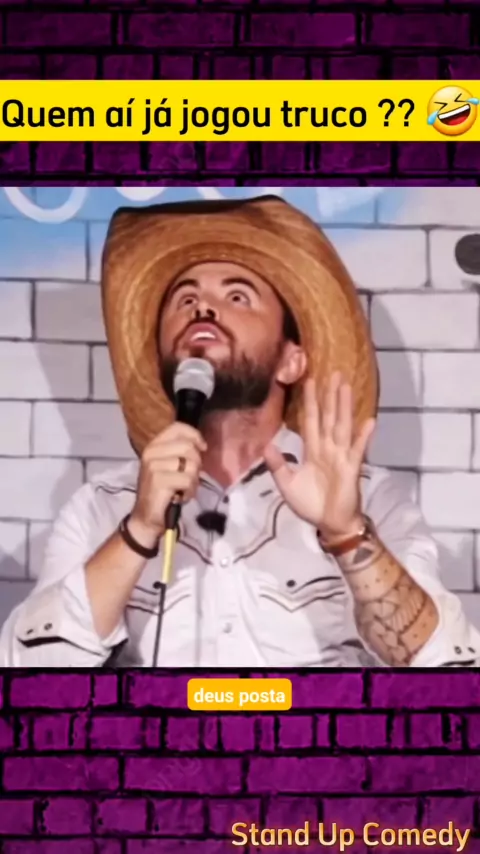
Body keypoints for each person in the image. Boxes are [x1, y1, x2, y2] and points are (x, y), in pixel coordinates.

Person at [1, 195, 478, 668]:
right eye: (185, 299)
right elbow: (27, 671)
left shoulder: (368, 499)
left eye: (236, 297)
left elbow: (448, 669)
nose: (202, 309)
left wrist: (346, 535)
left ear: (291, 361)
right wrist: (139, 529)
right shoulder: (102, 506)